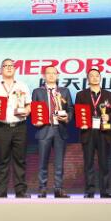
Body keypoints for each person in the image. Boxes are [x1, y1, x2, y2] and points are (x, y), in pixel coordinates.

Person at [0, 59, 31, 198]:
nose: (9, 68)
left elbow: (29, 105)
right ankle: (2, 190)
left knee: (20, 160)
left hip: (19, 126)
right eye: (5, 66)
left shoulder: (22, 85)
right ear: (0, 70)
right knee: (2, 160)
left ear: (15, 69)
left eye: (11, 66)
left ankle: (20, 191)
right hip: (2, 126)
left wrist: (27, 111)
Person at [74, 67, 111, 198]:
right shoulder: (81, 95)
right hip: (87, 132)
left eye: (96, 75)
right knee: (88, 163)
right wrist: (81, 122)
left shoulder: (109, 95)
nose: (94, 78)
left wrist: (108, 116)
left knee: (104, 163)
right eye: (91, 76)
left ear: (100, 78)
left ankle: (104, 191)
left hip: (104, 132)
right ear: (87, 79)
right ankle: (89, 191)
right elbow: (77, 113)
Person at [31, 65, 73, 198]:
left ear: (57, 75)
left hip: (60, 128)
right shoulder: (37, 91)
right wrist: (35, 121)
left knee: (59, 162)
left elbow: (70, 108)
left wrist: (67, 117)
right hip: (44, 128)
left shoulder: (64, 91)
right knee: (43, 161)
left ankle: (58, 188)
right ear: (43, 76)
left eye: (53, 73)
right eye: (48, 73)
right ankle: (42, 188)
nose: (51, 75)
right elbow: (33, 109)